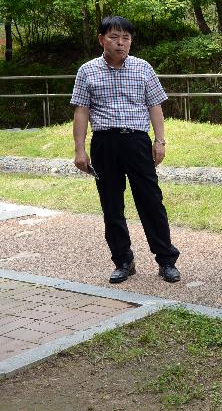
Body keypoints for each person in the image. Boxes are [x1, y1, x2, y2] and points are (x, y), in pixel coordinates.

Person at [71, 16, 181, 284]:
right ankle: (123, 261)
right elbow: (81, 110)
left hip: (137, 142)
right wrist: (79, 150)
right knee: (111, 205)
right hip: (105, 143)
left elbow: (155, 106)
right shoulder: (87, 71)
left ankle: (166, 260)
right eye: (114, 37)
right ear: (101, 39)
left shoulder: (143, 68)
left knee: (151, 201)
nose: (121, 43)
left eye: (126, 38)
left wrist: (160, 141)